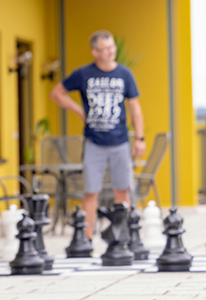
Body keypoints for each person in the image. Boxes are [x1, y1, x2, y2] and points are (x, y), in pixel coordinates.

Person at [49, 29, 145, 238]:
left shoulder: (125, 74)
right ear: (95, 51)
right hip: (94, 142)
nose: (110, 52)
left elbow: (135, 108)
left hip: (120, 141)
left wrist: (139, 138)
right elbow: (56, 93)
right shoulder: (83, 74)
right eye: (105, 49)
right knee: (91, 191)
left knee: (123, 189)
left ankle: (123, 236)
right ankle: (86, 238)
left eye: (112, 47)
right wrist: (78, 110)